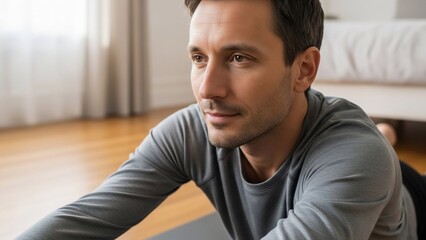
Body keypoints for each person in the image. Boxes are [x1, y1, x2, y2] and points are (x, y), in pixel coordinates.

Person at [18, 0, 425, 239]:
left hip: (406, 200)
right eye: (199, 58)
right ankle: (385, 133)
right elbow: (83, 218)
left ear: (303, 69)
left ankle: (382, 139)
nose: (207, 89)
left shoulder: (356, 157)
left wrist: (370, 151)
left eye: (238, 58)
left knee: (370, 152)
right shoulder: (194, 128)